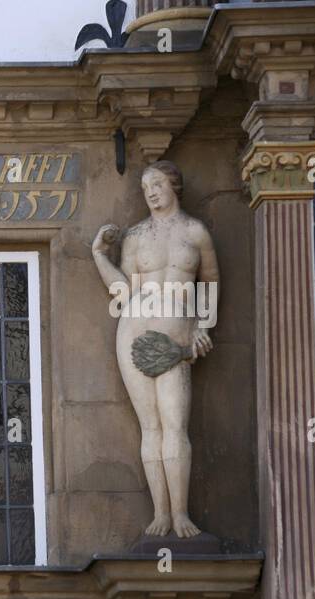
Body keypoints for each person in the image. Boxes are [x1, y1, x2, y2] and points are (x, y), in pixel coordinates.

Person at [91, 160, 219, 539]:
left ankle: (181, 513)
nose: (151, 192)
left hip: (175, 336)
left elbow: (210, 280)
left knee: (175, 424)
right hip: (133, 331)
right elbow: (124, 291)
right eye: (146, 186)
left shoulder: (195, 232)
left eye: (158, 184)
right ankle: (160, 514)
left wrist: (203, 325)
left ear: (174, 186)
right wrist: (100, 255)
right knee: (151, 427)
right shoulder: (135, 236)